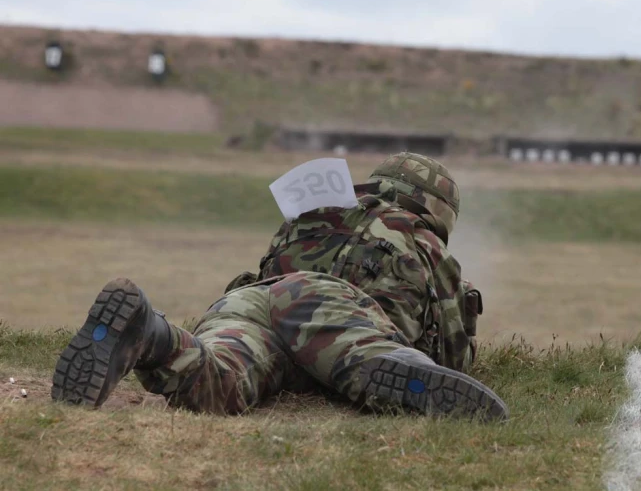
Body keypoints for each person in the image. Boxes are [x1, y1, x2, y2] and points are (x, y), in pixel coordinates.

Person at [51, 153, 508, 420]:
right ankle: (395, 367)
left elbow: (269, 274)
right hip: (326, 307)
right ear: (440, 210)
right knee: (363, 359)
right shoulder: (418, 235)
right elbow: (452, 354)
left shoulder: (315, 214)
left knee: (219, 384)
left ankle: (149, 333)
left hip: (250, 301)